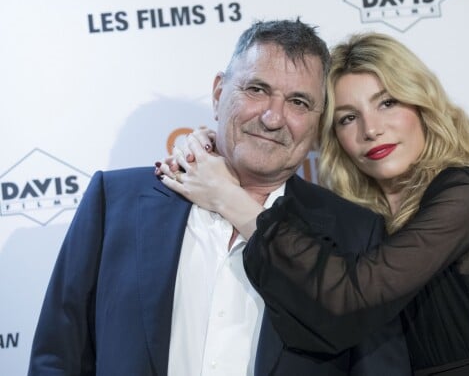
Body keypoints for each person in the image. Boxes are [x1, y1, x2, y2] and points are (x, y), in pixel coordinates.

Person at [28, 21, 411, 376]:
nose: (273, 117)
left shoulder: (356, 235)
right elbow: (58, 358)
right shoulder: (115, 203)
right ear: (217, 93)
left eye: (298, 102)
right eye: (257, 89)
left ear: (318, 122)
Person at [157, 32, 469, 375]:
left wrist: (229, 198)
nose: (371, 129)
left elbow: (350, 296)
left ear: (423, 105)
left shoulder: (467, 193)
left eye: (388, 102)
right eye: (347, 118)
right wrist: (218, 147)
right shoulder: (353, 219)